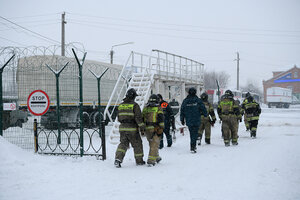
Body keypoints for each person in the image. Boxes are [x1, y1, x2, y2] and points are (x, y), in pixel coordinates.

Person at [114, 88, 146, 168]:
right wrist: (142, 127)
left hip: (122, 128)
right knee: (137, 144)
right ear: (133, 97)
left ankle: (118, 159)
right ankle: (139, 161)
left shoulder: (121, 105)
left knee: (123, 144)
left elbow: (118, 117)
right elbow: (138, 118)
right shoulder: (135, 105)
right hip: (132, 129)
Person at [180, 87, 207, 153]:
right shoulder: (198, 100)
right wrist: (205, 114)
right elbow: (203, 108)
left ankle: (193, 145)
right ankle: (193, 146)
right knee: (195, 132)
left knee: (191, 133)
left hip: (189, 120)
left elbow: (182, 110)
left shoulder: (185, 101)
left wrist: (182, 119)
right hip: (196, 119)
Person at [142, 94, 164, 166]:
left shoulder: (146, 108)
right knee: (155, 144)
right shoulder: (158, 108)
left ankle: (157, 157)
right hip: (155, 128)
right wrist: (161, 128)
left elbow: (142, 118)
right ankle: (151, 160)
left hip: (147, 129)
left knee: (152, 143)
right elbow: (161, 118)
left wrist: (142, 129)